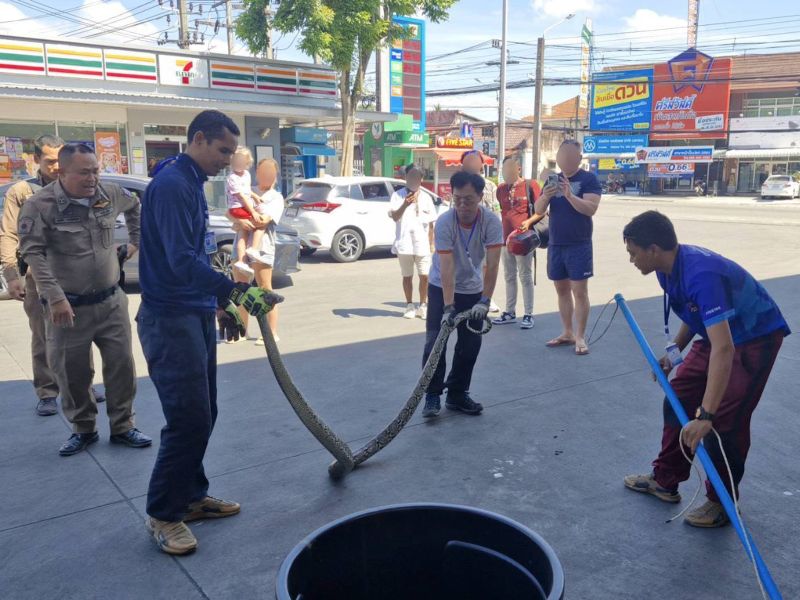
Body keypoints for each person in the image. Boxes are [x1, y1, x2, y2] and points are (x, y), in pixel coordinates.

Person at [137, 110, 282, 555]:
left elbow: (197, 257)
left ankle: (191, 496)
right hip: (169, 320)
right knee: (188, 420)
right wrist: (237, 293)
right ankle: (163, 513)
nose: (228, 159)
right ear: (198, 140)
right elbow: (181, 262)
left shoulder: (190, 182)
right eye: (222, 151)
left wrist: (219, 304)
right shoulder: (172, 186)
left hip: (193, 313)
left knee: (206, 413)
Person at [622, 211, 790, 528]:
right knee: (678, 397)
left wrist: (707, 416)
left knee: (723, 423)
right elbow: (692, 310)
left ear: (653, 249)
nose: (631, 260)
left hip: (753, 338)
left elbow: (725, 348)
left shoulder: (702, 275)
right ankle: (665, 480)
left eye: (633, 253)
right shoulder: (666, 268)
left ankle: (721, 502)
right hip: (718, 334)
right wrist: (674, 353)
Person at [18, 143, 150, 456]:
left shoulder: (110, 193)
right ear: (60, 172)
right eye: (84, 172)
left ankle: (123, 426)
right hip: (68, 308)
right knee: (72, 373)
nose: (92, 178)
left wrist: (135, 242)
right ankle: (83, 428)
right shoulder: (40, 205)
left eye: (95, 170)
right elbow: (32, 253)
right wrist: (55, 297)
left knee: (121, 368)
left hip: (111, 302)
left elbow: (135, 207)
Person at [421, 171, 503, 418]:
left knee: (470, 345)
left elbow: (493, 264)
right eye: (457, 199)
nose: (462, 205)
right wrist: (448, 307)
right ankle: (432, 394)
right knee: (435, 343)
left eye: (468, 199)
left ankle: (457, 394)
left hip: (472, 289)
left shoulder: (491, 222)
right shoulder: (445, 222)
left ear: (480, 197)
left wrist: (485, 300)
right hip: (440, 289)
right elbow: (446, 267)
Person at [534, 139, 601, 356]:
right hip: (556, 243)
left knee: (579, 291)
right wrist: (546, 195)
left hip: (578, 244)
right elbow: (538, 209)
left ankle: (580, 336)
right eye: (562, 155)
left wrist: (570, 195)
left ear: (579, 158)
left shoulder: (589, 179)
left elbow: (591, 209)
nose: (565, 159)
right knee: (561, 290)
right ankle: (567, 332)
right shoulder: (554, 179)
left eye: (571, 156)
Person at [492, 155, 544, 330]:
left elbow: (541, 211)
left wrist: (528, 222)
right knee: (509, 276)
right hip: (505, 241)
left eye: (508, 169)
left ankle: (528, 314)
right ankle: (510, 312)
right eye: (503, 169)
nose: (505, 172)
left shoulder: (531, 186)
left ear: (518, 169)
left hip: (524, 241)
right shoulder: (500, 190)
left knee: (525, 276)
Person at [389, 164, 437, 320]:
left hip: (422, 244)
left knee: (425, 276)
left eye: (417, 177)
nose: (413, 180)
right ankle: (409, 305)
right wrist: (405, 204)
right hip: (404, 244)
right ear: (406, 177)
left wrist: (432, 244)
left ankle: (423, 305)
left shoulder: (427, 198)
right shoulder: (397, 196)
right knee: (407, 276)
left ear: (421, 179)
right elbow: (395, 217)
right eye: (410, 176)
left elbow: (431, 224)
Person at [461, 149, 501, 314]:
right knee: (465, 267)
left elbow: (495, 210)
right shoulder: (459, 184)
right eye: (467, 162)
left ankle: (486, 298)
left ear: (481, 165)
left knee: (487, 267)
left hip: (485, 235)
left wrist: (496, 234)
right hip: (464, 235)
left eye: (474, 162)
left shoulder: (490, 186)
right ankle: (467, 297)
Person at [226, 146, 265, 278]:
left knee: (243, 231)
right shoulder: (232, 177)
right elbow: (241, 196)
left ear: (247, 163)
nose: (238, 164)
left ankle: (244, 258)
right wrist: (253, 212)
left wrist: (255, 196)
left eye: (242, 162)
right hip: (238, 207)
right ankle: (250, 251)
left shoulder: (246, 175)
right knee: (257, 224)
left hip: (244, 206)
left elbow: (247, 191)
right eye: (236, 161)